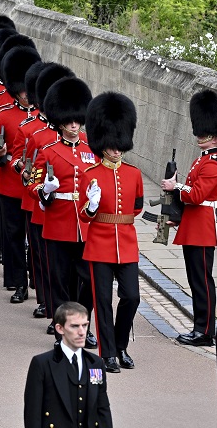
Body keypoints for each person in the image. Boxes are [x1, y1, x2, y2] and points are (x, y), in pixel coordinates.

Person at [162, 89, 217, 347]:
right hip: (194, 225)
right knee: (196, 280)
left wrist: (176, 187)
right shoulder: (201, 160)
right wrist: (177, 214)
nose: (198, 136)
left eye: (203, 133)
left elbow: (197, 195)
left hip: (203, 228)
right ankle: (200, 327)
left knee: (202, 281)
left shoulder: (214, 163)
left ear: (214, 136)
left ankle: (205, 332)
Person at [30, 77, 97, 348]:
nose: (73, 126)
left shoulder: (91, 150)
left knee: (87, 280)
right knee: (59, 282)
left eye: (76, 121)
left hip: (85, 222)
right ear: (60, 121)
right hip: (58, 221)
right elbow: (34, 185)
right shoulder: (48, 151)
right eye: (69, 122)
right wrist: (46, 189)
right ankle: (63, 333)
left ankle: (83, 323)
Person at [80, 92, 143, 373]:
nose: (117, 150)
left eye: (120, 145)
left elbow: (137, 207)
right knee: (102, 300)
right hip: (99, 244)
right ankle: (107, 354)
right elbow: (83, 213)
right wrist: (92, 206)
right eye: (112, 145)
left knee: (131, 296)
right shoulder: (89, 174)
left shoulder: (134, 174)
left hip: (126, 243)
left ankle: (120, 345)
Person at [0, 46, 41, 304]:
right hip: (11, 184)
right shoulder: (3, 114)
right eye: (23, 90)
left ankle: (40, 285)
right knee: (14, 237)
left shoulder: (43, 116)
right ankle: (18, 283)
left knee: (37, 242)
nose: (27, 95)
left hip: (36, 188)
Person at [23, 302, 112, 428]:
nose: (82, 332)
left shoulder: (96, 363)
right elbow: (33, 414)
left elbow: (102, 408)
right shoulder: (42, 364)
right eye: (75, 326)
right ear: (60, 328)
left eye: (85, 325)